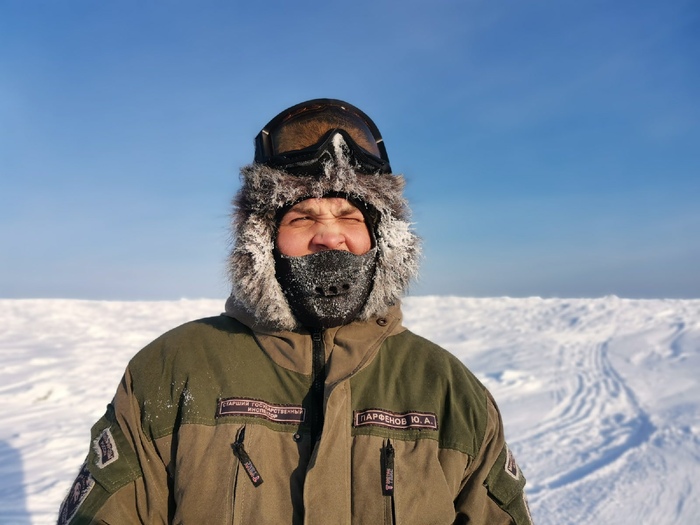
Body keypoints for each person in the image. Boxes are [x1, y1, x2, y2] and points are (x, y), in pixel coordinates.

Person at [58, 99, 533, 524]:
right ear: (263, 242)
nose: (329, 236)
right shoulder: (170, 371)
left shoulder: (448, 390)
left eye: (349, 216)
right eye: (302, 217)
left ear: (383, 240)